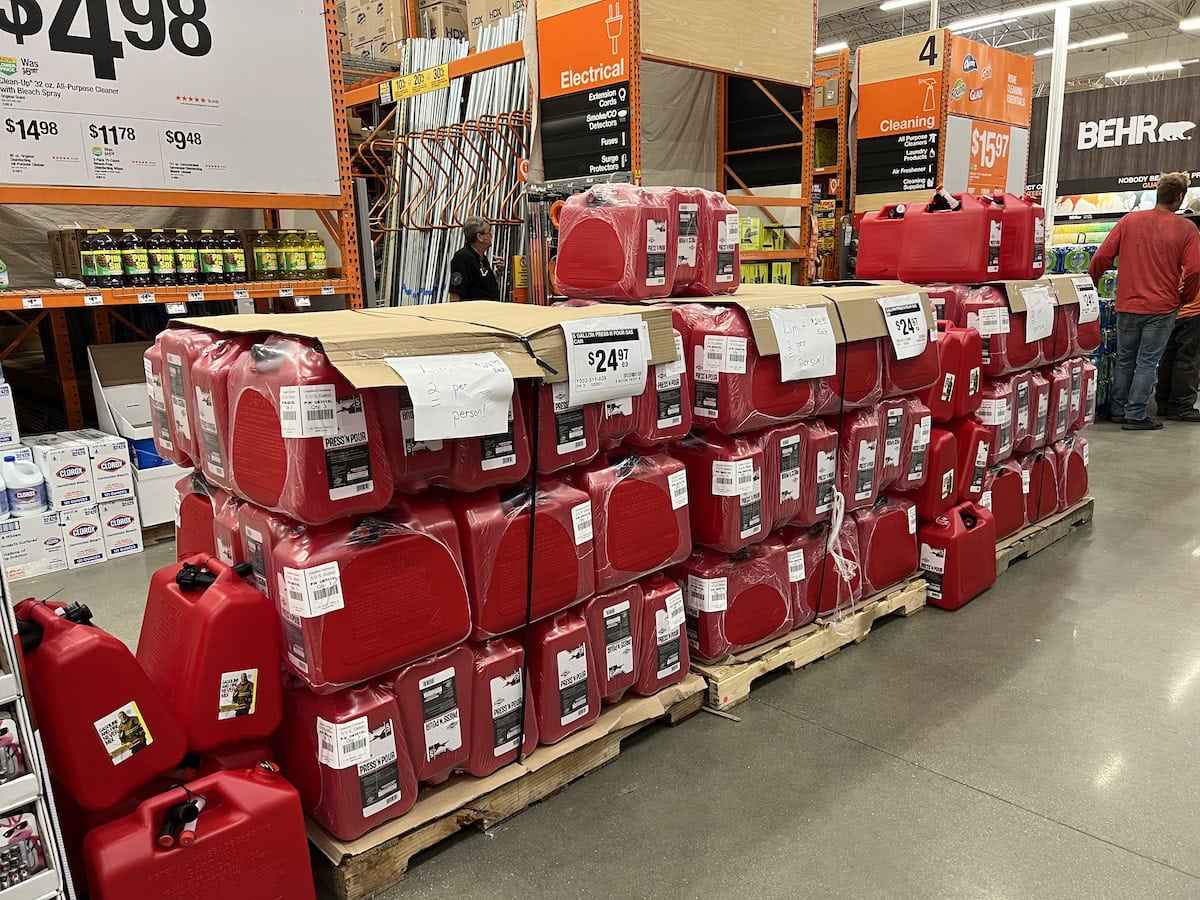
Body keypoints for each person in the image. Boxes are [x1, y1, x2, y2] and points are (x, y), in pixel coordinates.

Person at [1089, 172, 1200, 430]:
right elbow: (1194, 270)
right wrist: (1184, 296)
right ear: (1180, 197)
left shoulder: (1129, 220)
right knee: (1147, 361)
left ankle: (1117, 409)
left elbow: (1101, 257)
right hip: (1162, 307)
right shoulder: (1186, 228)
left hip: (1127, 303)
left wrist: (1091, 284)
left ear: (1157, 193)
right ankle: (1135, 414)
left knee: (1125, 359)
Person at [1155, 204, 1200, 421]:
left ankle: (1163, 402)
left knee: (1168, 356)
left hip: (1171, 308)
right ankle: (1181, 406)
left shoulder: (1177, 239)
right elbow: (1194, 272)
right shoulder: (1196, 241)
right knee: (1188, 359)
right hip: (1194, 309)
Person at [448, 216, 501, 302]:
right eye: (489, 233)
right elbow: (455, 293)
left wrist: (499, 271)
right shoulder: (462, 258)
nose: (491, 236)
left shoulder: (481, 257)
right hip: (473, 312)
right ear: (480, 237)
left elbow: (482, 283)